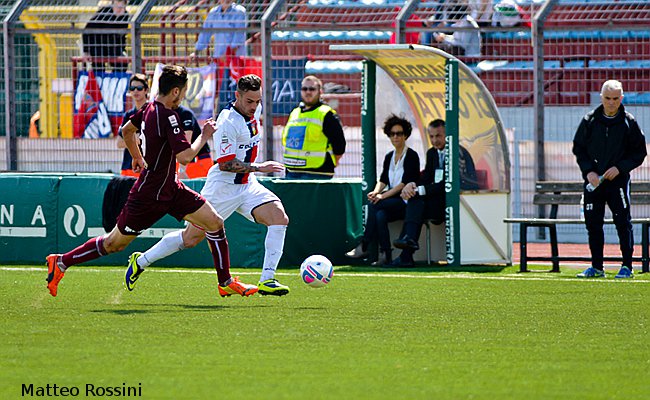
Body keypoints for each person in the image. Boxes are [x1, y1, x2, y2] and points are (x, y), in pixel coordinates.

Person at [46, 65, 258, 298]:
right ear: (176, 91)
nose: (184, 96)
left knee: (215, 223)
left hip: (172, 188)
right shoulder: (168, 115)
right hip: (149, 195)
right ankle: (62, 261)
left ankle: (225, 281)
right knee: (113, 244)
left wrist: (137, 156)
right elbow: (186, 157)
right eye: (185, 91)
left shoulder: (149, 108)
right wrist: (204, 135)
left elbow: (127, 131)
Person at [124, 74, 291, 296]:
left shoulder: (254, 110)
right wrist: (260, 168)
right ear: (237, 96)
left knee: (279, 217)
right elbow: (226, 165)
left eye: (258, 101)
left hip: (247, 184)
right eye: (249, 101)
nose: (254, 106)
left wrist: (254, 172)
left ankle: (267, 279)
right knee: (190, 238)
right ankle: (141, 261)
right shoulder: (227, 123)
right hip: (222, 187)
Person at [572, 80, 647, 279]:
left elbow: (640, 153)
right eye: (607, 98)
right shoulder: (589, 120)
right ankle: (597, 267)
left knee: (623, 222)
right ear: (601, 98)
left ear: (621, 98)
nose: (611, 102)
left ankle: (627, 267)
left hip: (618, 183)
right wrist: (588, 172)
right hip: (594, 182)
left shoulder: (629, 122)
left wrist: (620, 168)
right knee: (593, 224)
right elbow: (579, 149)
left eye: (615, 98)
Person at [390, 119, 478, 267]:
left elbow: (449, 184)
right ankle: (407, 249)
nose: (434, 140)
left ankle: (407, 247)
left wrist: (420, 190)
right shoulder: (432, 153)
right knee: (415, 201)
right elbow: (427, 177)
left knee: (416, 201)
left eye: (438, 136)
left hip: (456, 202)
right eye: (431, 136)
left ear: (447, 135)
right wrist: (413, 185)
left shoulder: (457, 153)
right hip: (437, 200)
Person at [345, 115, 420, 266]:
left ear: (406, 135)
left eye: (399, 133)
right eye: (392, 134)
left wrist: (382, 196)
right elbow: (384, 179)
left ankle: (364, 244)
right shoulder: (389, 156)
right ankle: (385, 255)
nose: (396, 137)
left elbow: (403, 184)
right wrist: (375, 191)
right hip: (391, 201)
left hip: (406, 202)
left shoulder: (412, 155)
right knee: (379, 215)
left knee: (375, 206)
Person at [282, 75, 346, 179]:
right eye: (304, 89)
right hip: (292, 171)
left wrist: (334, 161)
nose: (308, 92)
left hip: (318, 172)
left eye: (312, 89)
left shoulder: (326, 114)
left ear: (320, 92)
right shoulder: (295, 112)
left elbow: (339, 144)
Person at [82, 0, 129, 73]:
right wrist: (86, 51)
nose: (118, 10)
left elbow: (122, 36)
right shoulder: (103, 13)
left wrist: (122, 49)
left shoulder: (125, 16)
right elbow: (86, 31)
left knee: (122, 62)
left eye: (121, 7)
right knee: (98, 64)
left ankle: (115, 79)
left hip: (112, 46)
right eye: (116, 7)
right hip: (97, 44)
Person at [117, 73, 149, 177]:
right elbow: (120, 143)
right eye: (132, 88)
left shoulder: (152, 112)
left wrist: (133, 139)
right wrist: (137, 140)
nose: (135, 91)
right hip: (129, 167)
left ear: (146, 90)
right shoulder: (128, 115)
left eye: (139, 88)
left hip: (148, 166)